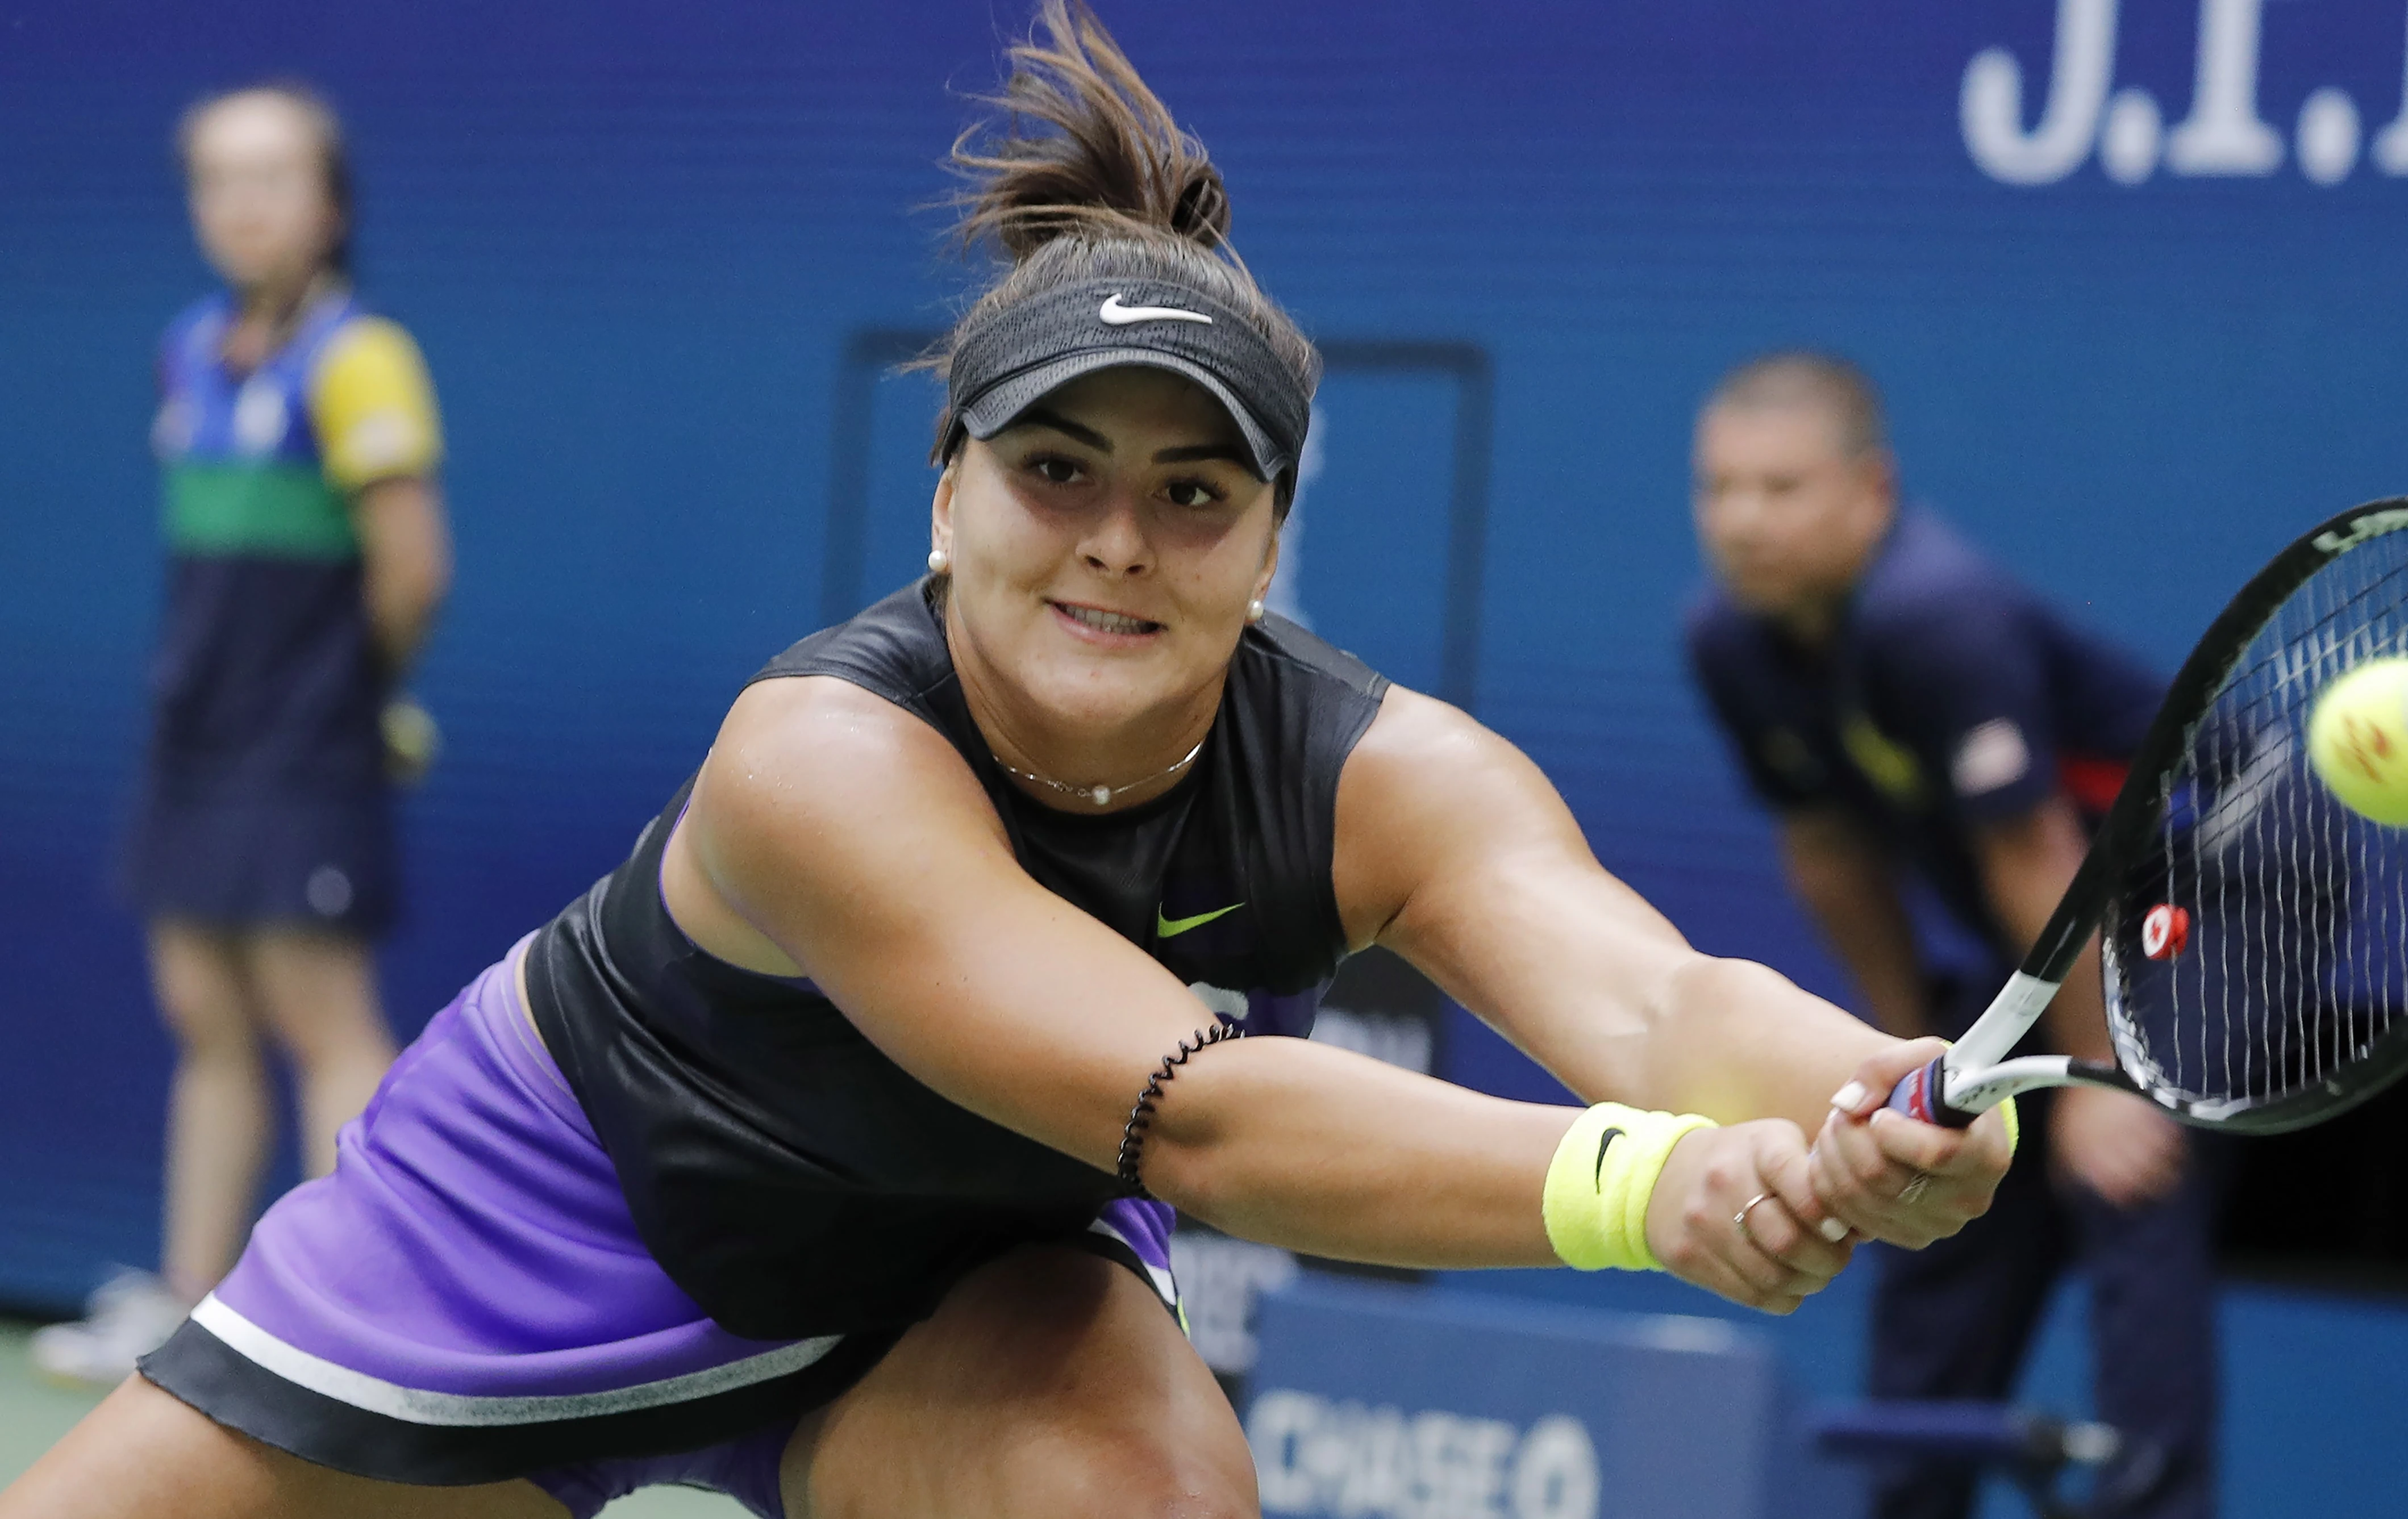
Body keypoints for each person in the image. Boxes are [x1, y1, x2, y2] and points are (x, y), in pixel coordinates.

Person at [2, 10, 2010, 1517]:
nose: (1119, 540)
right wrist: (1657, 1188)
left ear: (1268, 534)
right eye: (1056, 471)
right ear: (946, 492)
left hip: (962, 1289)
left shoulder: (1389, 774)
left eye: (1194, 491)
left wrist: (1894, 1105)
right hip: (546, 1225)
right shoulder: (816, 759)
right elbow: (1203, 1121)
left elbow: (1659, 1001)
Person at [1684, 354, 2225, 1519]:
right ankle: (1907, 1494)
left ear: (1870, 491)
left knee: (2128, 1168)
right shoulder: (1728, 643)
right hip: (2047, 924)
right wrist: (1900, 1037)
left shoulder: (1940, 615)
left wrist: (2103, 1077)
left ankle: (2153, 1496)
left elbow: (2033, 851)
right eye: (1719, 489)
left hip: (2205, 886)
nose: (1742, 521)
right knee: (1933, 1150)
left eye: (1780, 489)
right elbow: (1830, 853)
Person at [33, 84, 451, 1384]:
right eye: (218, 179)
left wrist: (341, 696)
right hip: (193, 739)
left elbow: (412, 569)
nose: (244, 203)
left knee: (324, 1020)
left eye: (274, 176)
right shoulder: (188, 347)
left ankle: (353, 1321)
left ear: (329, 204)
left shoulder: (363, 357)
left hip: (303, 745)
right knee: (202, 1008)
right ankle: (186, 1298)